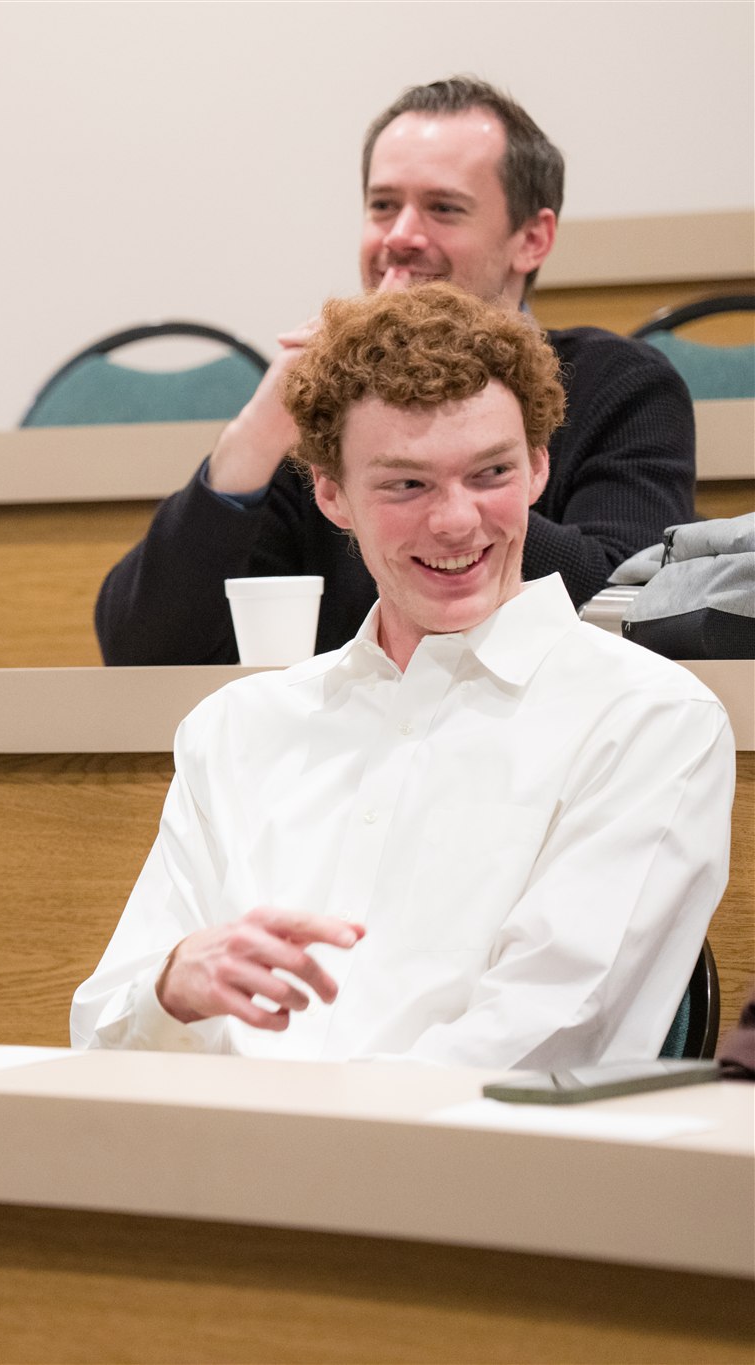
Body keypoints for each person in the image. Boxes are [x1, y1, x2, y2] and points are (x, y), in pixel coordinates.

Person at [69, 285, 733, 1069]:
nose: (454, 521)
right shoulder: (235, 728)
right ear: (330, 494)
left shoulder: (650, 720)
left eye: (489, 472)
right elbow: (103, 1032)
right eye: (406, 484)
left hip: (466, 1182)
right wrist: (173, 987)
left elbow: (549, 1035)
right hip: (214, 1166)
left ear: (538, 468)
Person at [94, 76, 696, 665]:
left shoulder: (623, 385)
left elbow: (630, 603)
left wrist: (440, 497)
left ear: (532, 239)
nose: (402, 236)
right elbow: (144, 648)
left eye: (443, 208)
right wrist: (257, 434)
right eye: (383, 206)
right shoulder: (322, 408)